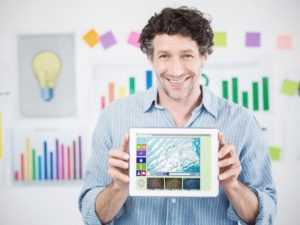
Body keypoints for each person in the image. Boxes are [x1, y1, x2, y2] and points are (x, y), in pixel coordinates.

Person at [79, 6, 277, 225]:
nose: (175, 70)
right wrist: (119, 187)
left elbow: (265, 216)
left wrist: (233, 186)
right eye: (164, 56)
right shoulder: (113, 118)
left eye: (187, 56)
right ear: (150, 58)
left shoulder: (242, 122)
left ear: (205, 56)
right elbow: (91, 215)